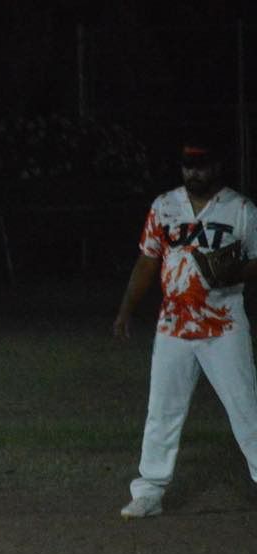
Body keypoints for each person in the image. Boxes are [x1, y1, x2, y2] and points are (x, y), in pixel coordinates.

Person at [112, 137, 257, 519]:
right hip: (173, 325)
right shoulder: (164, 206)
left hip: (224, 325)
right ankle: (149, 490)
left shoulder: (241, 209)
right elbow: (148, 260)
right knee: (162, 410)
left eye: (202, 165)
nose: (194, 172)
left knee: (245, 407)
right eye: (188, 165)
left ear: (217, 167)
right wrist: (126, 310)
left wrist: (237, 271)